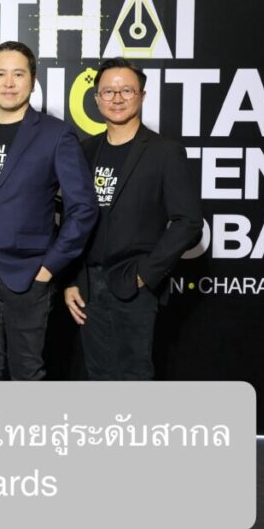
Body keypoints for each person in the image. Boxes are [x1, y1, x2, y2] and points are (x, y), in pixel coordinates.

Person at [0, 41, 97, 380]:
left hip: (29, 273)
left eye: (18, 74)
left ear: (32, 80)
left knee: (27, 372)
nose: (9, 83)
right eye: (0, 74)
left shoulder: (56, 134)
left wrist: (49, 266)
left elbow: (83, 208)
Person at [63, 57, 202, 380]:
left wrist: (146, 274)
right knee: (97, 376)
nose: (117, 98)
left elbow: (189, 222)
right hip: (87, 286)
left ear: (142, 95)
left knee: (133, 377)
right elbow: (72, 219)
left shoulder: (164, 152)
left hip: (133, 284)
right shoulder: (84, 151)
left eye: (126, 90)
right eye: (108, 91)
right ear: (96, 98)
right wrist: (71, 279)